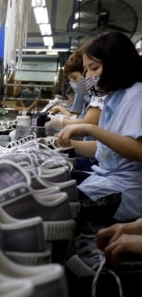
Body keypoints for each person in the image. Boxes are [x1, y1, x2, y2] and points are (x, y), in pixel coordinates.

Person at [56, 31, 142, 227]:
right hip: (105, 179)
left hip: (125, 193)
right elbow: (105, 149)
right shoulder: (113, 97)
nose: (88, 76)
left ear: (116, 64)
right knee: (47, 181)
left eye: (93, 68)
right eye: (86, 70)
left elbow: (138, 150)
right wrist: (64, 144)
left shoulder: (136, 96)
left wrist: (91, 129)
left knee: (54, 205)